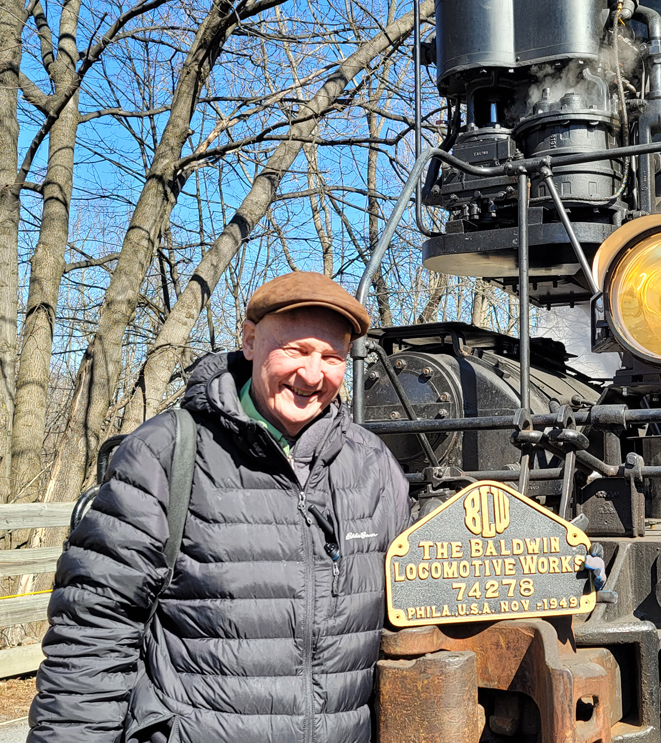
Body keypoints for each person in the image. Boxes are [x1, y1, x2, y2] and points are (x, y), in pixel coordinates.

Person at [27, 271, 411, 743]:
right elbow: (93, 634)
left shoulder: (373, 467)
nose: (313, 375)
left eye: (331, 357)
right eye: (295, 350)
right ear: (250, 341)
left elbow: (415, 614)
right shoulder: (165, 453)